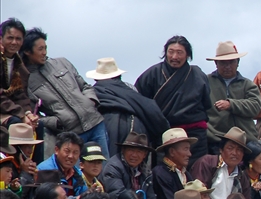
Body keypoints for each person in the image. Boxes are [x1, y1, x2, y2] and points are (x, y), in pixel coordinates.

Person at [22, 28, 110, 157]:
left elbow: (85, 86)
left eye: (45, 48)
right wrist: (56, 122)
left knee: (103, 166)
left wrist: (90, 102)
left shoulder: (62, 62)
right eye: (40, 49)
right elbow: (35, 115)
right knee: (77, 173)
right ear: (27, 52)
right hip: (72, 134)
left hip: (95, 123)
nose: (44, 52)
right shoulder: (27, 80)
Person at [135, 35, 212, 167]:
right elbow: (140, 102)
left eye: (179, 52)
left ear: (187, 55)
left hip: (194, 136)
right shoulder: (152, 74)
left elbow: (206, 104)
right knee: (164, 174)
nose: (174, 57)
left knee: (196, 173)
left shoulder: (198, 75)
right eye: (171, 52)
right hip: (164, 135)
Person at [88, 57, 169, 155]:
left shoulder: (92, 93)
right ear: (119, 76)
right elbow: (149, 109)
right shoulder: (131, 90)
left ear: (96, 78)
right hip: (138, 130)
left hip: (107, 129)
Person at [204, 42, 260, 153]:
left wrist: (231, 104)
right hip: (215, 138)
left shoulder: (248, 85)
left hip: (246, 139)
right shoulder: (206, 82)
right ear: (216, 63)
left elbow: (255, 107)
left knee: (259, 156)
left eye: (231, 62)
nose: (228, 67)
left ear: (238, 62)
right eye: (223, 63)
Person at [192, 127, 252, 199]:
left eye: (239, 150)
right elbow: (198, 194)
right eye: (230, 148)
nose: (234, 153)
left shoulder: (242, 175)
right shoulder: (207, 163)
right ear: (221, 149)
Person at [0, 18, 37, 130]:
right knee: (16, 124)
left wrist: (28, 113)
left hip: (11, 109)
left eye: (18, 39)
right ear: (1, 39)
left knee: (37, 124)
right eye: (10, 38)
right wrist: (21, 114)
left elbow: (20, 93)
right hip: (5, 110)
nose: (14, 42)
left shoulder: (19, 66)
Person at [150, 128, 196, 199]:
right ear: (172, 152)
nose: (189, 154)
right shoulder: (160, 173)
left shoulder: (186, 174)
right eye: (185, 149)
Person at [36, 132, 86, 199]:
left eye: (75, 152)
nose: (71, 156)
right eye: (67, 151)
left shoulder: (77, 173)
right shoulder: (45, 170)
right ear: (56, 150)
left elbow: (83, 192)